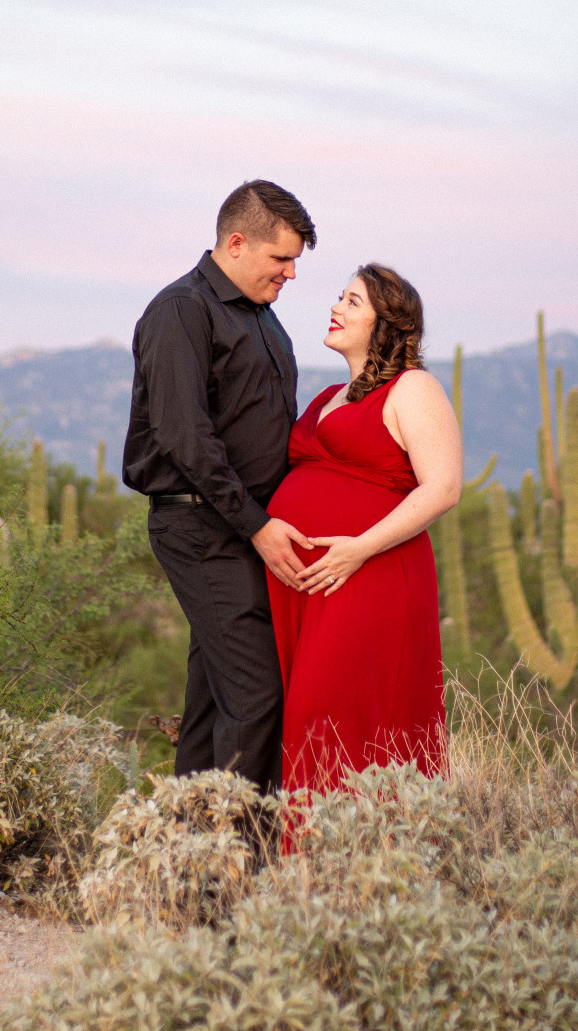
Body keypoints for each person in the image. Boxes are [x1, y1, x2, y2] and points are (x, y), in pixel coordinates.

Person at [122, 180, 317, 793]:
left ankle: (188, 863)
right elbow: (186, 437)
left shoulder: (261, 317)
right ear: (237, 243)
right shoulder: (181, 310)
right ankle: (242, 867)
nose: (289, 274)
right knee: (258, 696)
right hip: (203, 528)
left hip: (241, 527)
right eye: (280, 258)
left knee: (212, 706)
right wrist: (258, 525)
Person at [266, 263, 460, 798]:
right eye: (339, 297)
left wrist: (359, 548)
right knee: (302, 716)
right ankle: (308, 872)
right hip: (306, 585)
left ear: (386, 323)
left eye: (352, 302)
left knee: (334, 711)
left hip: (370, 574)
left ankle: (368, 859)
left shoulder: (412, 388)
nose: (335, 308)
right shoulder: (327, 394)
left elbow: (442, 487)